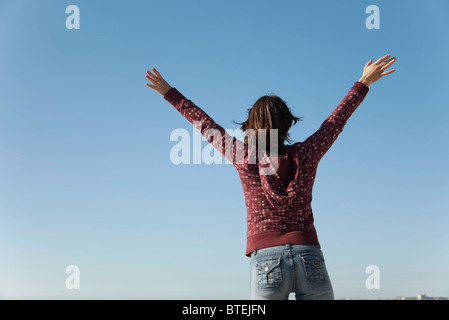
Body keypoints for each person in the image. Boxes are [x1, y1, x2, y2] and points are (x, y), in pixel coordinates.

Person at [145, 54, 396, 300]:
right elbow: (334, 123)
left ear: (252, 124)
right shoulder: (307, 153)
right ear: (288, 124)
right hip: (309, 255)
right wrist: (363, 83)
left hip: (266, 257)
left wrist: (170, 93)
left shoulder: (245, 157)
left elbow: (206, 125)